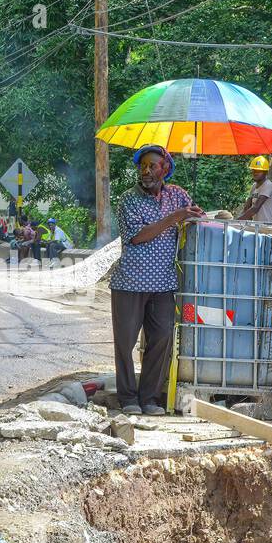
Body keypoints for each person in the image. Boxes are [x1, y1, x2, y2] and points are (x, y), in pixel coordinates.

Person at [110, 144, 204, 415]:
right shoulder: (129, 199)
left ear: (166, 169)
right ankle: (128, 398)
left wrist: (194, 216)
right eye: (143, 166)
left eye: (153, 166)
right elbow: (138, 236)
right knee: (125, 342)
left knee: (162, 338)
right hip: (129, 282)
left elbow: (196, 221)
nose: (146, 171)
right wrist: (175, 217)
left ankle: (149, 398)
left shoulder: (179, 196)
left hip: (164, 283)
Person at [236, 155, 272, 223]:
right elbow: (247, 207)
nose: (255, 173)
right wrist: (238, 219)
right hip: (257, 226)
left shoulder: (268, 185)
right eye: (254, 170)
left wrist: (236, 221)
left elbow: (255, 208)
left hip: (268, 227)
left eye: (258, 171)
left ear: (265, 172)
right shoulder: (254, 186)